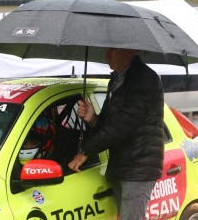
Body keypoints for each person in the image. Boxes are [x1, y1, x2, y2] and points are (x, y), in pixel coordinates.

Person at [68, 48, 164, 220]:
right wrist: (92, 118)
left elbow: (122, 127)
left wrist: (86, 152)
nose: (106, 55)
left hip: (138, 168)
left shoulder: (144, 79)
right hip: (120, 166)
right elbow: (108, 124)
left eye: (112, 50)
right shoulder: (117, 78)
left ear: (130, 51)